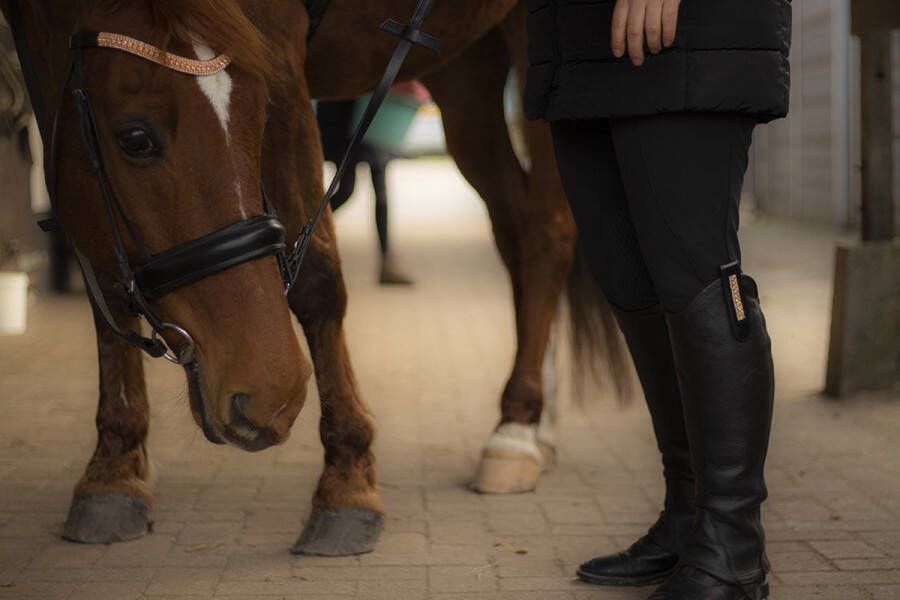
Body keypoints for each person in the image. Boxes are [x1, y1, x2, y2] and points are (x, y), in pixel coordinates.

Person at [524, 0, 791, 598]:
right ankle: (689, 515)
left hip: (689, 35)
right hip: (575, 43)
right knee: (629, 279)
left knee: (697, 279)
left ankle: (733, 545)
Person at [317, 91, 421, 286]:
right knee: (348, 189)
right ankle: (307, 232)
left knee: (378, 189)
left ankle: (386, 262)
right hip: (347, 118)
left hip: (370, 113)